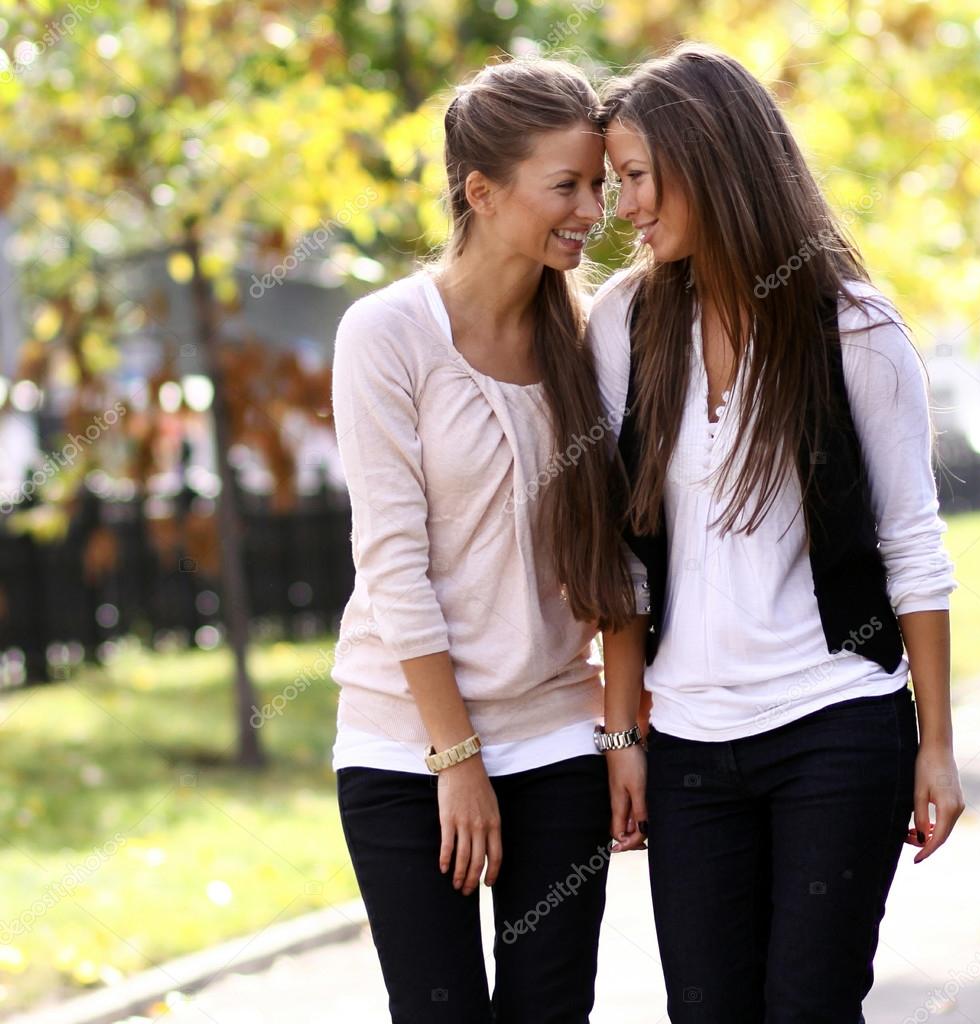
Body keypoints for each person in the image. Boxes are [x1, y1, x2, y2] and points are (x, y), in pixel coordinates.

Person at [588, 42, 965, 1023]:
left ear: (707, 156)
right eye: (613, 181)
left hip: (835, 723)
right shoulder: (623, 323)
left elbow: (913, 549)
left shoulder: (853, 329)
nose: (622, 205)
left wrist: (936, 744)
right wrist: (624, 733)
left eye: (634, 176)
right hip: (688, 743)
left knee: (807, 1004)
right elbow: (620, 564)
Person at [331, 57, 633, 1024]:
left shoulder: (595, 339)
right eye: (568, 186)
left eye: (601, 183)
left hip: (555, 738)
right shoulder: (385, 334)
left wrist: (623, 737)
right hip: (402, 742)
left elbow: (627, 558)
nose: (595, 208)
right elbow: (393, 563)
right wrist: (454, 759)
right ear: (482, 191)